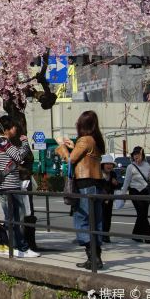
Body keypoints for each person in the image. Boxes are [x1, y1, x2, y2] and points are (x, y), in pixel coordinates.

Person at [55, 110, 105, 270]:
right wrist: (73, 145)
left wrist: (61, 148)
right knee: (96, 221)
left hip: (85, 185)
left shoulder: (85, 139)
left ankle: (93, 257)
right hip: (97, 184)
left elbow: (71, 160)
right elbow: (85, 155)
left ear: (82, 125)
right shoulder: (96, 140)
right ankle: (96, 258)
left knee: (82, 220)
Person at [0, 117, 38, 258]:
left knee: (10, 219)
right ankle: (20, 248)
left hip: (1, 186)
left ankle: (17, 247)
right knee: (14, 219)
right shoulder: (4, 142)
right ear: (7, 129)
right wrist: (24, 143)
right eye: (13, 127)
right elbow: (18, 156)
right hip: (9, 186)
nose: (15, 129)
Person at [120, 146, 150, 243]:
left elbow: (148, 179)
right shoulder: (130, 167)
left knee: (143, 214)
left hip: (145, 191)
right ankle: (149, 236)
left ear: (142, 155)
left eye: (138, 155)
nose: (136, 157)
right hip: (134, 191)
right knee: (141, 214)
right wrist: (123, 194)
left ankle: (136, 235)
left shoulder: (147, 165)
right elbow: (126, 181)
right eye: (134, 155)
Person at [99, 154, 119, 243]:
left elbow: (116, 186)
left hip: (109, 199)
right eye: (107, 164)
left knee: (108, 217)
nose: (109, 166)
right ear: (102, 165)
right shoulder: (98, 173)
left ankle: (106, 235)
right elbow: (98, 187)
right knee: (99, 216)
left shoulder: (113, 174)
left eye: (111, 164)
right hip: (100, 199)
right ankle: (100, 234)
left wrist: (115, 183)